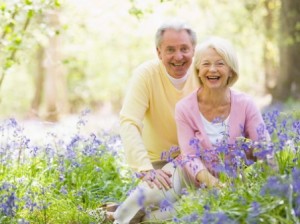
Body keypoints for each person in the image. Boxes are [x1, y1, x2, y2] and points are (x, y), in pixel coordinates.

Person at [110, 20, 200, 223]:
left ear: (193, 49)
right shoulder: (147, 74)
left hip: (195, 163)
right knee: (152, 195)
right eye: (170, 50)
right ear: (159, 52)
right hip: (158, 165)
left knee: (182, 208)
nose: (178, 56)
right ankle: (121, 216)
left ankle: (119, 213)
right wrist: (145, 169)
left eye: (184, 49)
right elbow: (129, 122)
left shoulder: (203, 73)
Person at [174, 36, 270, 188]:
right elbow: (190, 156)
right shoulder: (184, 108)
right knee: (151, 202)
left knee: (166, 213)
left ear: (231, 71)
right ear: (198, 70)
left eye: (220, 64)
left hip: (233, 183)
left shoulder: (246, 104)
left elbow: (264, 146)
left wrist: (275, 184)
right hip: (190, 181)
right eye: (206, 64)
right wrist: (216, 185)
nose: (212, 69)